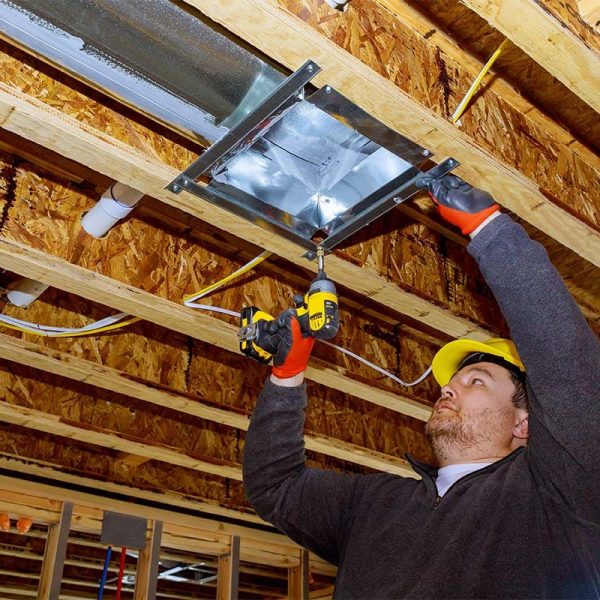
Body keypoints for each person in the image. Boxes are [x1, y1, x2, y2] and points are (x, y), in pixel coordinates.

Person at [243, 174, 600, 599]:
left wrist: (490, 230)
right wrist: (286, 377)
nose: (448, 389)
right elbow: (276, 488)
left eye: (476, 381)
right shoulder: (373, 504)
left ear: (524, 423)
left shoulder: (556, 494)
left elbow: (570, 374)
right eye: (452, 381)